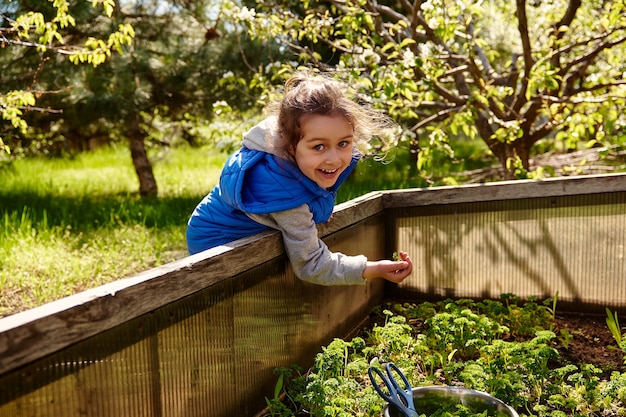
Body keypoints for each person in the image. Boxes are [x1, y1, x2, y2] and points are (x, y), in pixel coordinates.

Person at [186, 71, 413, 286]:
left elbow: (313, 193)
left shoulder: (308, 165)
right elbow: (312, 264)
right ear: (291, 147)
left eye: (343, 143)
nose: (334, 159)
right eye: (319, 146)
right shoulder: (282, 189)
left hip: (233, 228)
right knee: (255, 303)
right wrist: (373, 269)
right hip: (219, 242)